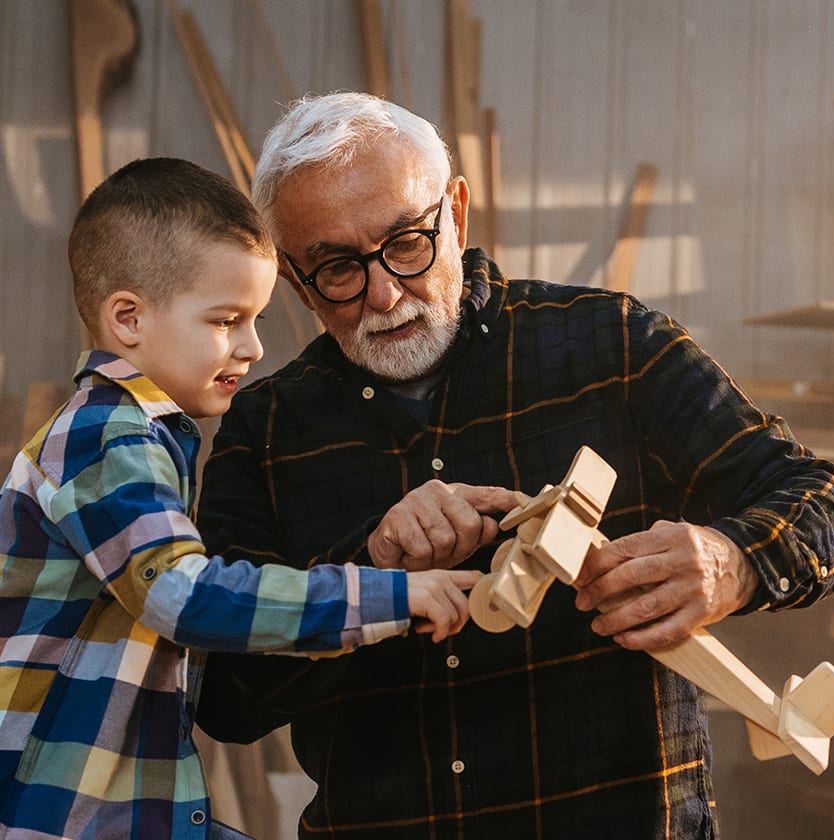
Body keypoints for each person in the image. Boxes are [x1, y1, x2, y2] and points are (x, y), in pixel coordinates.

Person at [194, 93, 834, 839]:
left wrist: (730, 561)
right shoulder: (263, 431)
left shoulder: (610, 345)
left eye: (407, 244)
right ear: (292, 274)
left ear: (457, 209)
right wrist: (369, 569)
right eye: (337, 269)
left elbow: (825, 501)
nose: (383, 294)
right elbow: (227, 698)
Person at [0, 157, 496, 840]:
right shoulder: (104, 439)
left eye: (256, 318)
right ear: (128, 319)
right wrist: (391, 594)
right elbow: (184, 596)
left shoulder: (139, 436)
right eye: (228, 320)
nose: (254, 347)